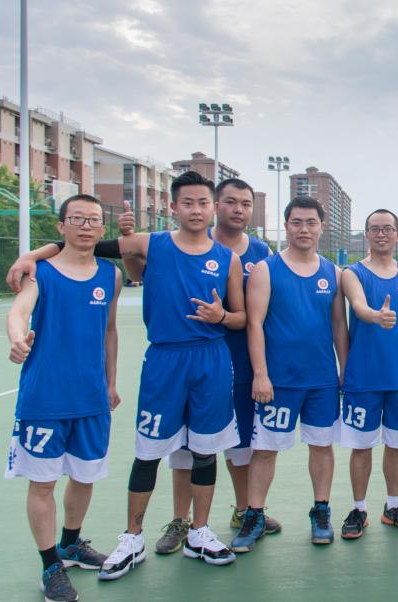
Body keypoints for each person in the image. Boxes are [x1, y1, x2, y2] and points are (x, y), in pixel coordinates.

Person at [6, 171, 246, 578]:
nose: (196, 209)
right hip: (165, 360)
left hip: (211, 360)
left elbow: (240, 318)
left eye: (203, 202)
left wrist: (221, 316)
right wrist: (32, 255)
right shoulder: (150, 243)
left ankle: (200, 532)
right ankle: (133, 536)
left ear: (213, 208)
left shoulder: (229, 259)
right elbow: (83, 244)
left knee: (206, 451)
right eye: (187, 202)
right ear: (173, 206)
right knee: (148, 451)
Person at [118, 179, 280, 555]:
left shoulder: (260, 252)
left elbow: (259, 312)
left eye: (245, 203)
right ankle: (182, 519)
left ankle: (244, 510)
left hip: (237, 361)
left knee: (238, 444)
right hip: (187, 357)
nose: (237, 209)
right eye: (230, 202)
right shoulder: (177, 243)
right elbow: (139, 272)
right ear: (216, 206)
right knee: (183, 448)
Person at [5, 195, 121, 602]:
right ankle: (50, 564)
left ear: (102, 229)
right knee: (43, 483)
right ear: (61, 226)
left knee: (85, 477)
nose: (86, 226)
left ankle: (71, 543)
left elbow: (109, 331)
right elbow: (19, 311)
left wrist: (110, 382)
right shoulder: (39, 272)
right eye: (77, 219)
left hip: (91, 398)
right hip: (45, 398)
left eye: (93, 220)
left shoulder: (111, 275)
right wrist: (17, 338)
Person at [232, 196, 348, 551]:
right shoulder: (266, 269)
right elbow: (254, 324)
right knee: (265, 449)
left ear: (322, 226)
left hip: (321, 380)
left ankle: (321, 510)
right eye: (297, 222)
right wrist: (260, 374)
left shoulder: (333, 273)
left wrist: (345, 370)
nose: (304, 229)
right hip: (279, 381)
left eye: (311, 222)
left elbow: (339, 326)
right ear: (286, 226)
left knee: (322, 446)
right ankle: (254, 515)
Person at [338, 210, 398, 538]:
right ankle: (358, 509)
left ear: (397, 234)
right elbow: (358, 306)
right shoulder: (353, 273)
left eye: (388, 228)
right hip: (364, 375)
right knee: (361, 446)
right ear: (366, 234)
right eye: (375, 229)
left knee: (397, 444)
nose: (381, 234)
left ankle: (393, 505)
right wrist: (376, 316)